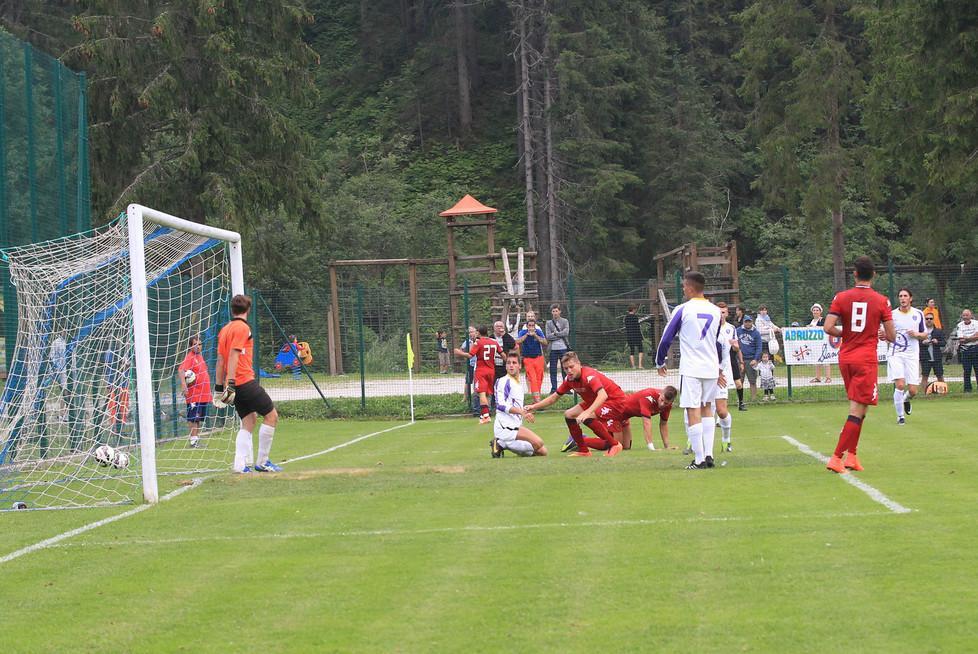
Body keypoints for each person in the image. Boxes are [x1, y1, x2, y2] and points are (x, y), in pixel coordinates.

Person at [822, 256, 895, 474]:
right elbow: (891, 335)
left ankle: (852, 456)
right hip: (865, 360)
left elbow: (828, 327)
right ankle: (836, 457)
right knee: (857, 409)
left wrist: (846, 333)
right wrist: (880, 334)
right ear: (874, 275)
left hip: (846, 358)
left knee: (861, 407)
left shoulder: (841, 297)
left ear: (854, 274)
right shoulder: (882, 301)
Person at [655, 271, 725, 470]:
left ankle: (699, 459)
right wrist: (719, 368)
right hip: (710, 367)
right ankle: (709, 455)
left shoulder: (683, 309)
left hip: (692, 368)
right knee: (707, 407)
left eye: (684, 286)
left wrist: (660, 361)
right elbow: (716, 342)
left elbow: (666, 337)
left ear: (691, 287)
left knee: (693, 410)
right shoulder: (715, 311)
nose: (683, 289)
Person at [216, 294, 281, 473]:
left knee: (249, 420)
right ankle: (263, 462)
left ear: (232, 310)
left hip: (234, 385)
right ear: (248, 310)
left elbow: (220, 361)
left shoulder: (225, 330)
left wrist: (219, 388)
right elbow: (233, 355)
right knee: (271, 416)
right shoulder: (242, 328)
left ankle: (239, 465)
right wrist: (231, 382)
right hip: (243, 381)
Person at [526, 351, 624, 457]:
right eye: (566, 368)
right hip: (597, 402)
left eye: (571, 367)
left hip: (615, 402)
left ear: (579, 364)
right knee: (569, 414)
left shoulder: (589, 376)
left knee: (586, 417)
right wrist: (534, 406)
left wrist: (587, 412)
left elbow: (603, 395)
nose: (569, 371)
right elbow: (554, 398)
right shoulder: (569, 379)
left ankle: (614, 445)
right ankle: (584, 450)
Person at [489, 351, 548, 458]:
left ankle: (501, 444)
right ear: (506, 366)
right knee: (538, 443)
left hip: (515, 427)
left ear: (520, 366)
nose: (511, 365)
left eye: (514, 363)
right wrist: (522, 412)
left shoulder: (518, 384)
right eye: (508, 363)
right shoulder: (503, 381)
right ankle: (500, 442)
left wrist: (526, 409)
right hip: (505, 427)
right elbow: (500, 405)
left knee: (543, 451)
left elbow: (514, 405)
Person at [888, 288, 926, 425]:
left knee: (913, 390)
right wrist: (884, 336)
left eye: (905, 296)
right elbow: (885, 333)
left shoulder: (918, 314)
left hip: (912, 354)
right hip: (896, 353)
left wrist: (916, 334)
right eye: (900, 296)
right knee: (900, 384)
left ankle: (905, 399)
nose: (902, 298)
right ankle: (900, 417)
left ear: (910, 298)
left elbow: (924, 334)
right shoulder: (892, 315)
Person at [612, 386, 676, 450]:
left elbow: (663, 424)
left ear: (671, 402)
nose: (662, 404)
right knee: (616, 447)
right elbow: (646, 423)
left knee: (626, 447)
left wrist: (667, 446)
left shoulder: (668, 406)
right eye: (661, 400)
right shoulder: (648, 396)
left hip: (624, 419)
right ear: (661, 393)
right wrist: (652, 448)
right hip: (615, 412)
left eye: (666, 403)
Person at [178, 335, 212, 447]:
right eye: (195, 344)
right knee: (193, 418)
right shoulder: (190, 357)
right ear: (190, 346)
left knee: (197, 419)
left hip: (202, 394)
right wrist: (184, 385)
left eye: (200, 344)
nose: (198, 346)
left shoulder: (200, 357)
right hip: (194, 394)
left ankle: (196, 440)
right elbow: (181, 370)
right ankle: (193, 441)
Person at [465, 325, 500, 424]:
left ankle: (486, 416)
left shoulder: (478, 342)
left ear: (479, 333)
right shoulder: (494, 342)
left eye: (476, 332)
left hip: (481, 371)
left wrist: (459, 353)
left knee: (482, 393)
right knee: (488, 394)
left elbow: (470, 355)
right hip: (491, 370)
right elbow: (502, 354)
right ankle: (484, 414)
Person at [715, 302, 737, 449]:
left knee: (722, 411)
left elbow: (733, 350)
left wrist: (736, 347)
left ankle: (726, 439)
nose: (721, 315)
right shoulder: (707, 329)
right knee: (704, 410)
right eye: (719, 312)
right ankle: (694, 444)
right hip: (706, 372)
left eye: (723, 312)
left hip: (723, 372)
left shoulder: (730, 329)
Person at [515, 312, 547, 403]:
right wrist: (527, 335)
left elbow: (545, 342)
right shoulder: (523, 332)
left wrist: (535, 336)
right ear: (527, 326)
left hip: (538, 358)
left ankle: (536, 398)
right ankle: (538, 400)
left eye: (533, 326)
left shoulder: (538, 331)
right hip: (528, 358)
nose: (531, 327)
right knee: (532, 378)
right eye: (530, 326)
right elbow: (518, 341)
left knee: (539, 378)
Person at [453, 326, 481, 416]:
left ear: (476, 332)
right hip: (471, 364)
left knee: (477, 383)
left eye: (472, 332)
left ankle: (478, 401)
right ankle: (465, 397)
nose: (471, 334)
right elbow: (462, 349)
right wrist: (463, 353)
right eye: (469, 332)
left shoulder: (479, 341)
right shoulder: (467, 342)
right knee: (468, 381)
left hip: (479, 364)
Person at [545, 304, 570, 393]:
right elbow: (548, 336)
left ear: (560, 311)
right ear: (551, 312)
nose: (555, 313)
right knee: (553, 369)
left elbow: (566, 333)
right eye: (553, 311)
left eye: (556, 311)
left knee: (565, 368)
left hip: (563, 348)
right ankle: (554, 389)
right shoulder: (549, 323)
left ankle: (566, 388)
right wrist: (559, 334)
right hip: (553, 349)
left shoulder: (565, 321)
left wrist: (555, 334)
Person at [736, 315, 762, 403]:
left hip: (751, 360)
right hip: (740, 360)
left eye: (749, 321)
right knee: (740, 381)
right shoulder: (738, 331)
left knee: (752, 381)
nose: (747, 323)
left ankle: (753, 400)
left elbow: (759, 347)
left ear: (752, 322)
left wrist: (756, 359)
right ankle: (740, 400)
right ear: (743, 322)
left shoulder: (756, 333)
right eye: (746, 321)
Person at [920, 314, 946, 386]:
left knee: (940, 376)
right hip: (925, 357)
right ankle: (924, 391)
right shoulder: (921, 332)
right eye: (927, 319)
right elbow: (915, 343)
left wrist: (937, 342)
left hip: (937, 357)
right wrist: (923, 342)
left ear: (933, 320)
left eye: (931, 318)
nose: (929, 320)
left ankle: (942, 390)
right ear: (924, 320)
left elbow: (944, 343)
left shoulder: (938, 331)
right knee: (925, 376)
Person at [955, 309, 978, 392]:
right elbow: (961, 339)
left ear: (971, 315)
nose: (965, 317)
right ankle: (967, 389)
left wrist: (967, 338)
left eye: (967, 315)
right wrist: (972, 337)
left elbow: (977, 336)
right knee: (967, 370)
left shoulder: (976, 323)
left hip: (976, 348)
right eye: (964, 315)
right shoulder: (959, 325)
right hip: (965, 350)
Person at [809, 303, 832, 383]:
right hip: (815, 343)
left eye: (817, 310)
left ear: (820, 311)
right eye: (814, 310)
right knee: (817, 360)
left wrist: (815, 328)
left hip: (823, 342)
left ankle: (828, 377)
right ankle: (818, 377)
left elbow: (825, 328)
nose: (815, 312)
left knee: (826, 360)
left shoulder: (822, 320)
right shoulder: (812, 321)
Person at [624, 304, 645, 369]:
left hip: (629, 336)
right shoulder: (635, 317)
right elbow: (637, 327)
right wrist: (641, 336)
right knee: (640, 349)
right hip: (636, 335)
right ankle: (640, 365)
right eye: (635, 309)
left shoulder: (626, 318)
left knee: (632, 351)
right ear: (633, 309)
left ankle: (633, 366)